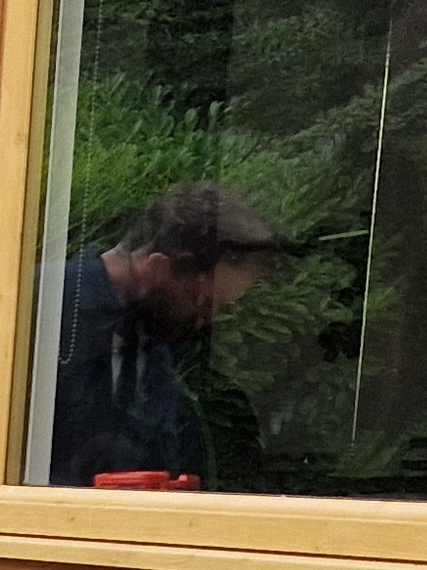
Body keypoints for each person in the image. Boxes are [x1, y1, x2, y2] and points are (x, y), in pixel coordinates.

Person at [40, 182, 284, 487]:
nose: (206, 321)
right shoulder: (39, 312)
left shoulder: (152, 340)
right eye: (205, 302)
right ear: (162, 267)